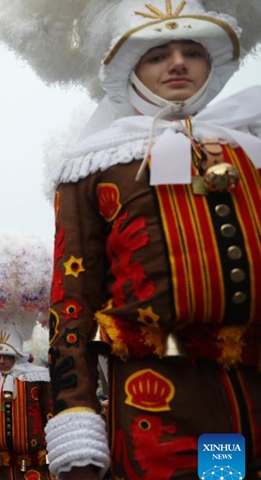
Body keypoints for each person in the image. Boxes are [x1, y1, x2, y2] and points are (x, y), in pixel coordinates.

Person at [45, 1, 261, 479]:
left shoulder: (252, 148)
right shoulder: (94, 165)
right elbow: (71, 302)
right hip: (160, 396)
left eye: (192, 50)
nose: (178, 62)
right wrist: (75, 414)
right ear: (133, 71)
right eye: (158, 53)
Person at [0, 325, 53, 480]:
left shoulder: (35, 378)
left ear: (17, 356)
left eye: (6, 356)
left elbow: (49, 411)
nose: (1, 361)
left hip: (33, 455)